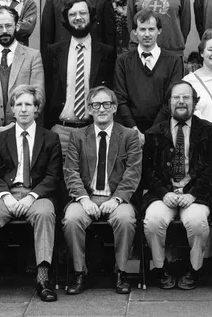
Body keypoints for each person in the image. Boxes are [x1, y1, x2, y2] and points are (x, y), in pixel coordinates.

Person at [0, 85, 62, 303]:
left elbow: (53, 176)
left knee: (44, 215)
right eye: (19, 104)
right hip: (7, 195)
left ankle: (43, 280)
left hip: (37, 195)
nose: (23, 109)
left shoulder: (50, 138)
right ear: (12, 108)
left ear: (36, 109)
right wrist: (7, 196)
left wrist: (32, 196)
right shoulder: (0, 139)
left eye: (28, 104)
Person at [62, 86, 142, 295]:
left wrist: (116, 200)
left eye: (107, 104)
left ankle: (121, 272)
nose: (102, 109)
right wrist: (83, 199)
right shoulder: (78, 136)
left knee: (126, 220)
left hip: (116, 198)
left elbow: (132, 173)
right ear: (89, 109)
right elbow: (71, 171)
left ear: (115, 107)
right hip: (86, 197)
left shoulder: (128, 136)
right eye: (96, 105)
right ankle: (80, 272)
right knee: (71, 219)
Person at [141, 81, 212, 290]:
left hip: (195, 194)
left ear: (195, 102)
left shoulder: (208, 130)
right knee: (153, 221)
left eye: (187, 97)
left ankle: (194, 270)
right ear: (168, 103)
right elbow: (148, 172)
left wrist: (192, 194)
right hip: (162, 195)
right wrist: (164, 193)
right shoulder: (154, 132)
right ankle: (161, 268)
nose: (181, 101)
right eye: (176, 97)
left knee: (196, 222)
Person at [44, 0, 117, 151]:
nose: (78, 18)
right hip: (60, 131)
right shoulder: (53, 52)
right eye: (72, 14)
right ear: (66, 19)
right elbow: (47, 90)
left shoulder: (106, 53)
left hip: (94, 129)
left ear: (91, 16)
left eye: (83, 13)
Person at [0, 6, 45, 139]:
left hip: (23, 133)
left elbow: (38, 97)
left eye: (8, 26)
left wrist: (15, 126)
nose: (4, 31)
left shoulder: (33, 56)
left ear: (16, 26)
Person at [115, 9, 184, 133]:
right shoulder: (123, 61)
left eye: (151, 29)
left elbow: (171, 99)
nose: (147, 34)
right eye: (142, 29)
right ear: (134, 32)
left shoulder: (174, 61)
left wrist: (153, 131)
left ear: (159, 31)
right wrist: (133, 128)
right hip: (130, 133)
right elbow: (120, 98)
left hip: (163, 131)